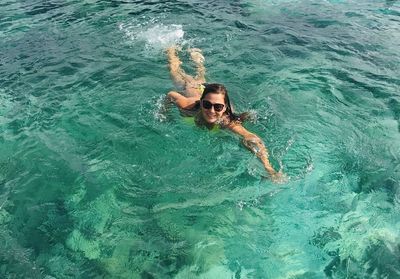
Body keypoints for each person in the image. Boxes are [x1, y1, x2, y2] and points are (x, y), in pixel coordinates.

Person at [165, 46, 284, 181]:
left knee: (201, 78)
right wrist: (164, 113)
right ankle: (171, 50)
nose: (211, 111)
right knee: (176, 74)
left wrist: (268, 168)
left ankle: (197, 59)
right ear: (202, 102)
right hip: (190, 89)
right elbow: (171, 95)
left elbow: (250, 137)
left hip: (208, 91)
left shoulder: (226, 121)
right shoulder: (188, 107)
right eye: (207, 105)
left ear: (224, 108)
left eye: (218, 107)